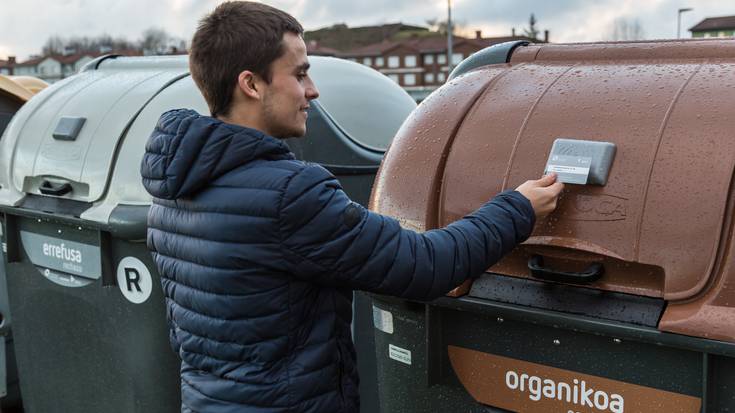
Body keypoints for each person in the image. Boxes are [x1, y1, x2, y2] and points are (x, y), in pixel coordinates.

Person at [140, 2, 564, 412]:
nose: (312, 90)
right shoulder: (290, 195)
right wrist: (519, 207)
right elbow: (425, 265)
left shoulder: (174, 187)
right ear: (251, 84)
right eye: (300, 74)